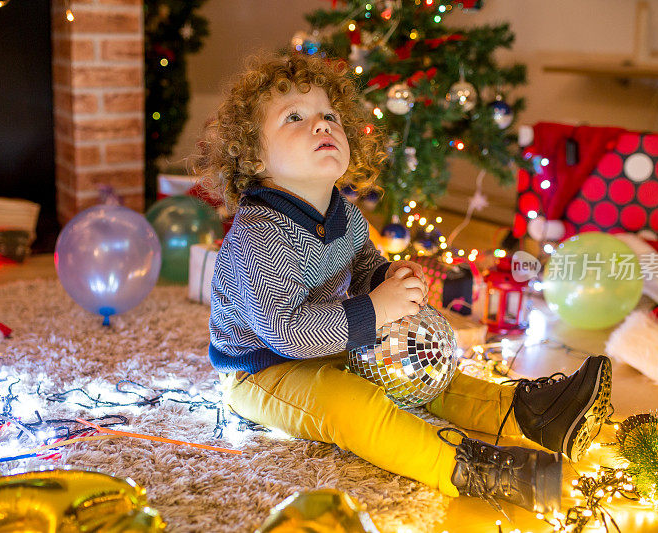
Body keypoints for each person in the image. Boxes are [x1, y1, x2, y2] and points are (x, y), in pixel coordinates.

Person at [200, 53, 612, 514]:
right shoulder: (261, 234)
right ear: (254, 156)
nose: (321, 126)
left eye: (329, 115)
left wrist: (388, 278)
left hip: (333, 336)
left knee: (422, 369)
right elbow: (288, 333)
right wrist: (376, 308)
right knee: (352, 404)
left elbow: (361, 264)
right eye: (294, 117)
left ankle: (534, 414)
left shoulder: (343, 214)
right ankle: (468, 466)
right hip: (263, 368)